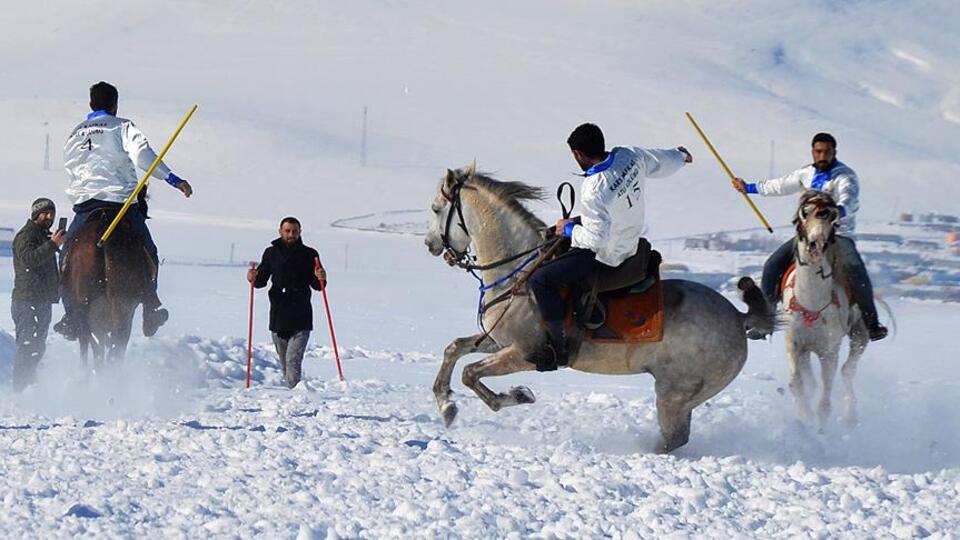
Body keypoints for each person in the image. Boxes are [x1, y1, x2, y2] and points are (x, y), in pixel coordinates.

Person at [528, 123, 692, 371]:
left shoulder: (594, 189)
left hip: (608, 254)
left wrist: (569, 230)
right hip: (628, 235)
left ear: (578, 154)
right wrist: (680, 156)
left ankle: (557, 349)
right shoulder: (628, 155)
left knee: (540, 279)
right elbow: (661, 161)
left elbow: (596, 241)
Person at [55, 81, 194, 340]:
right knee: (148, 250)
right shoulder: (122, 126)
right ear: (115, 105)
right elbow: (143, 157)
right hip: (120, 204)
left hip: (85, 207)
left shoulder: (74, 134)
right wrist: (173, 179)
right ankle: (151, 308)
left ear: (91, 104)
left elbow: (71, 167)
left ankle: (71, 315)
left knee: (65, 258)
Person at [732, 132, 888, 341]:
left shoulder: (845, 176)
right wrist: (749, 187)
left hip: (838, 236)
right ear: (813, 152)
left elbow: (849, 200)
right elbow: (780, 185)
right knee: (772, 265)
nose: (822, 156)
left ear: (834, 152)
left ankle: (871, 323)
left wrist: (838, 212)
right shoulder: (805, 173)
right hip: (807, 236)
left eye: (827, 152)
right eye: (818, 151)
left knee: (856, 269)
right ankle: (765, 322)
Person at [247, 217, 328, 388]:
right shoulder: (271, 253)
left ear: (300, 232)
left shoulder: (309, 254)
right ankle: (292, 394)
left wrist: (321, 277)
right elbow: (260, 282)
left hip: (301, 315)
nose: (291, 234)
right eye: (287, 231)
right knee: (285, 363)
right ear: (280, 231)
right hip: (278, 315)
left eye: (294, 231)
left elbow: (317, 286)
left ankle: (295, 393)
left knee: (293, 360)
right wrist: (252, 277)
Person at [11, 198, 65, 390]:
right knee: (27, 346)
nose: (49, 217)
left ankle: (29, 386)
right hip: (27, 300)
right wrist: (52, 245)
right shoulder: (27, 235)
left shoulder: (42, 236)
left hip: (41, 300)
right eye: (45, 213)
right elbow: (28, 259)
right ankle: (20, 390)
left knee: (37, 347)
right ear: (35, 214)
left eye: (52, 213)